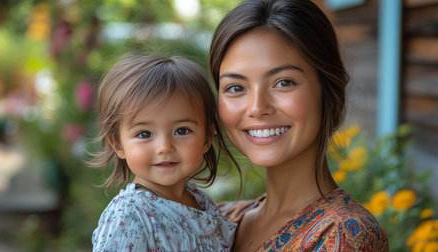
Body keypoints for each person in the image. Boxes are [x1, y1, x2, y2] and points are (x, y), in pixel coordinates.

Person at [209, 0, 389, 251]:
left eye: (283, 82)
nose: (257, 107)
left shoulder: (342, 234)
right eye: (236, 88)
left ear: (328, 92)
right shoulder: (218, 220)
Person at [91, 53, 238, 251]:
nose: (164, 147)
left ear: (207, 138)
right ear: (118, 145)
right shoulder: (130, 215)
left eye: (182, 131)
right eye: (144, 134)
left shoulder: (199, 200)